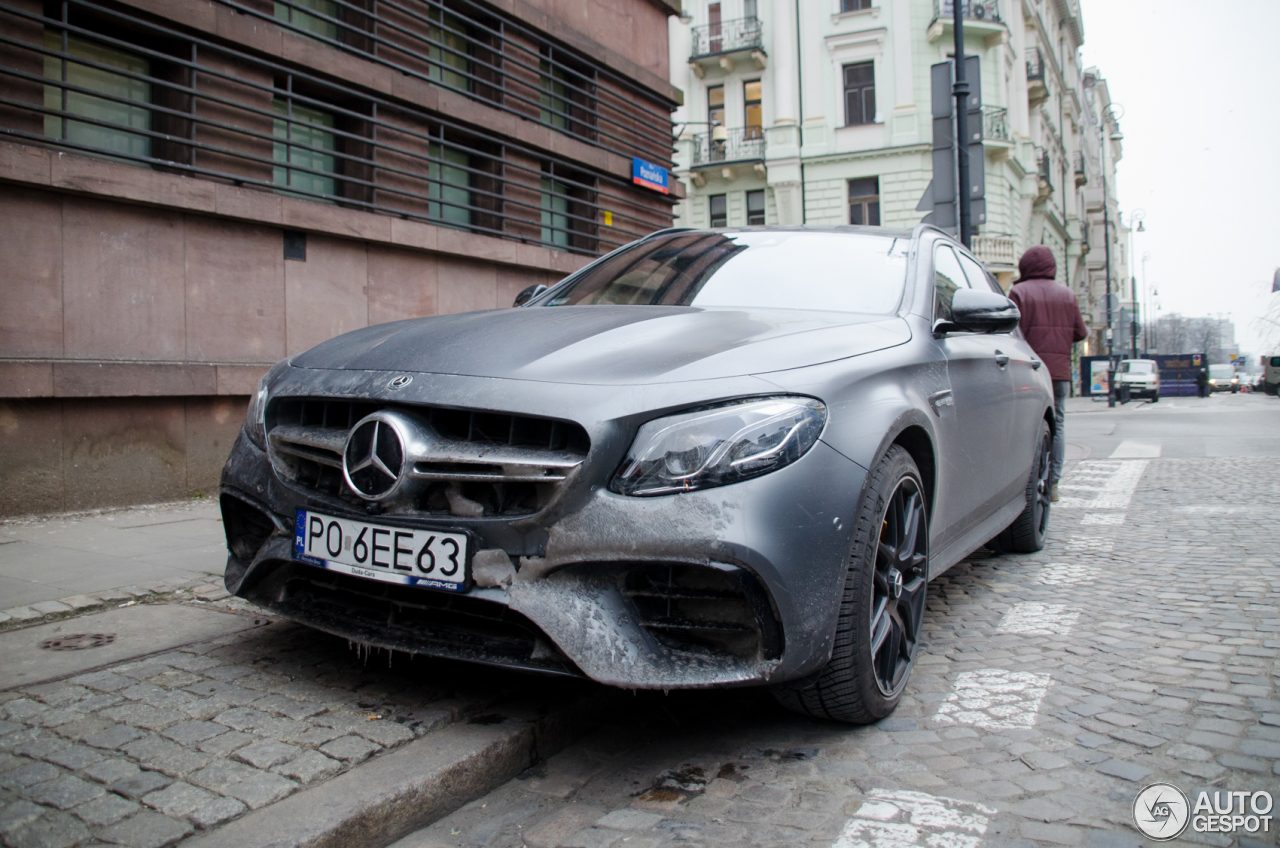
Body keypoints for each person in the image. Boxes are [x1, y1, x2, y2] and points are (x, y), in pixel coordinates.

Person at [1008, 246, 1088, 503]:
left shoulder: (1019, 292)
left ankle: (1026, 482)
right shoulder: (1067, 295)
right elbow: (1081, 333)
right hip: (1060, 373)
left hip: (1030, 371)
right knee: (1059, 426)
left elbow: (1011, 331)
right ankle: (1053, 483)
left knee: (1027, 426)